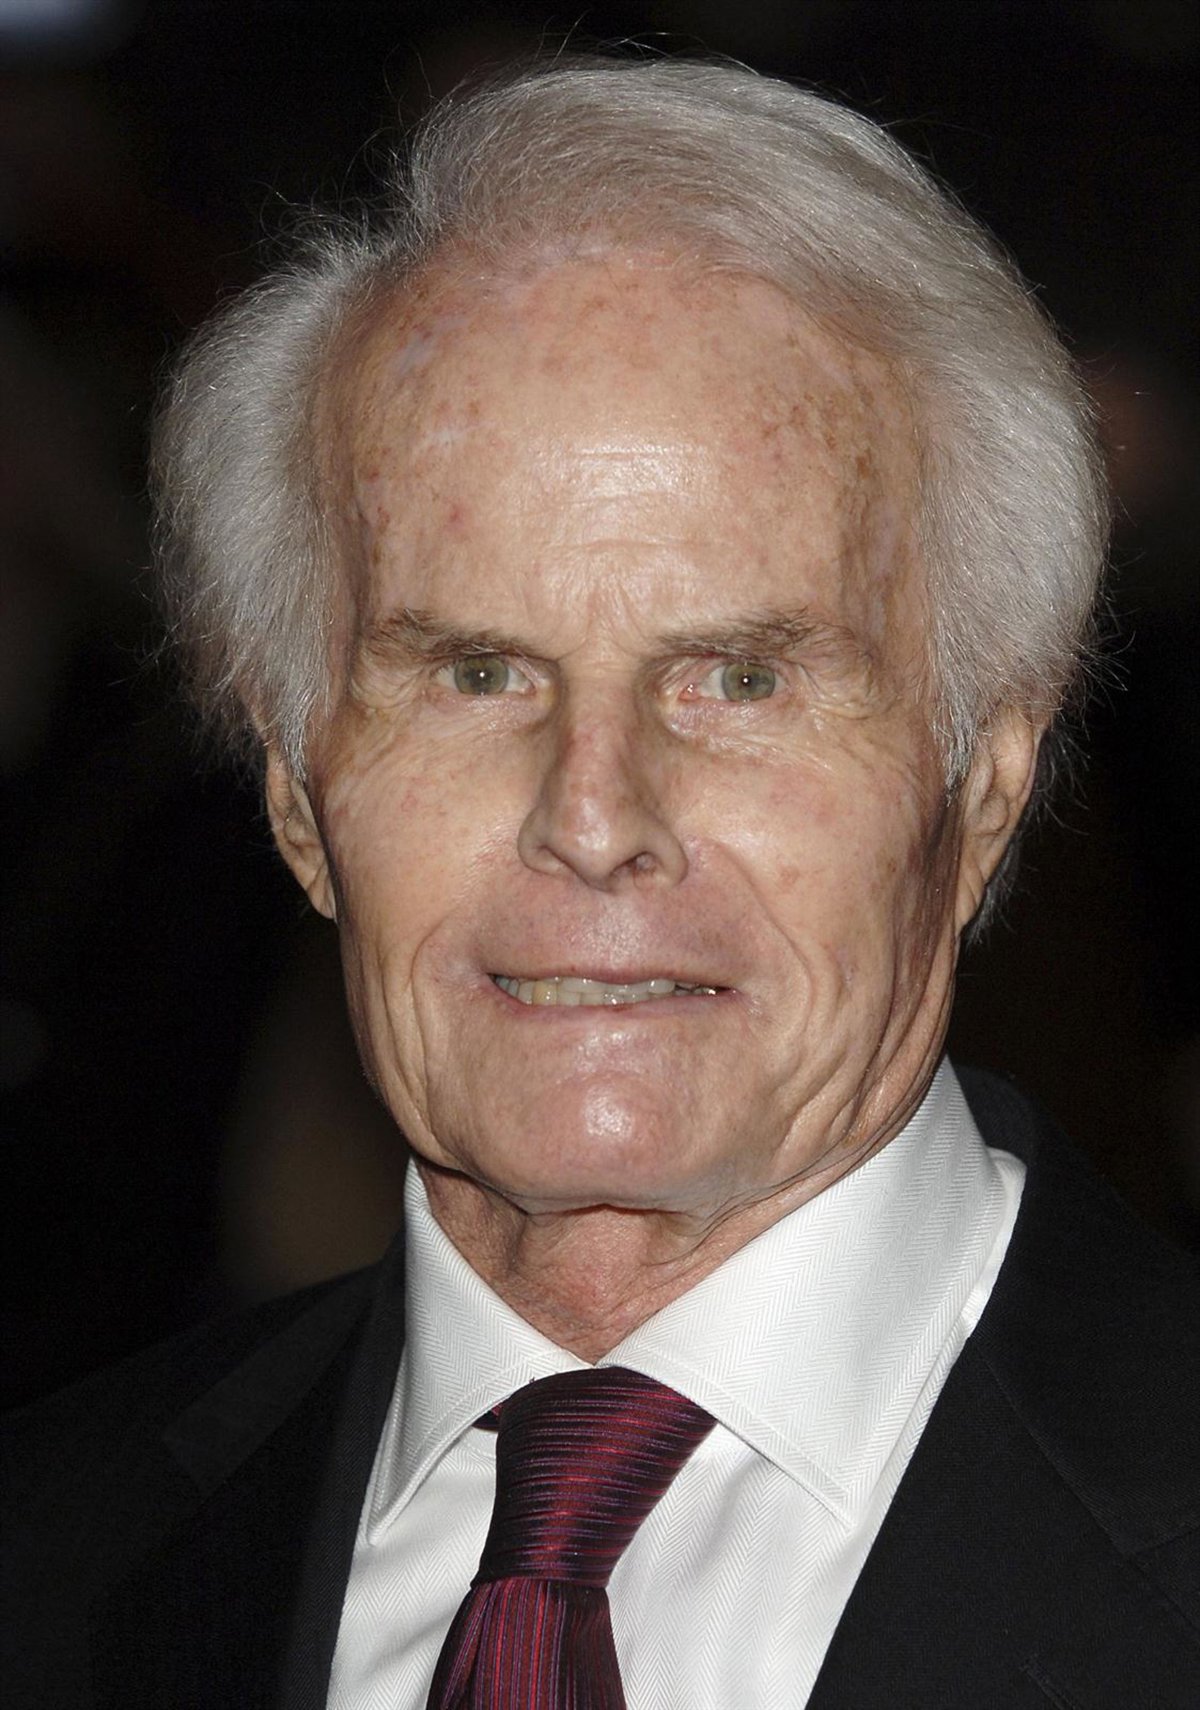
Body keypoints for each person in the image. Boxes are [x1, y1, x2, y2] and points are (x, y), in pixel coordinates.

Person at [3, 55, 1197, 1710]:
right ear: (294, 788)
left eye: (741, 678)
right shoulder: (46, 1556)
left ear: (985, 776)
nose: (592, 814)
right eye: (475, 672)